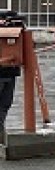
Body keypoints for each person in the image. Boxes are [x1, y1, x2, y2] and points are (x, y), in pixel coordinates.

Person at [0, 9, 23, 141]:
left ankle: (1, 132)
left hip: (10, 72)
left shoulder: (15, 28)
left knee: (5, 104)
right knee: (3, 104)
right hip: (7, 72)